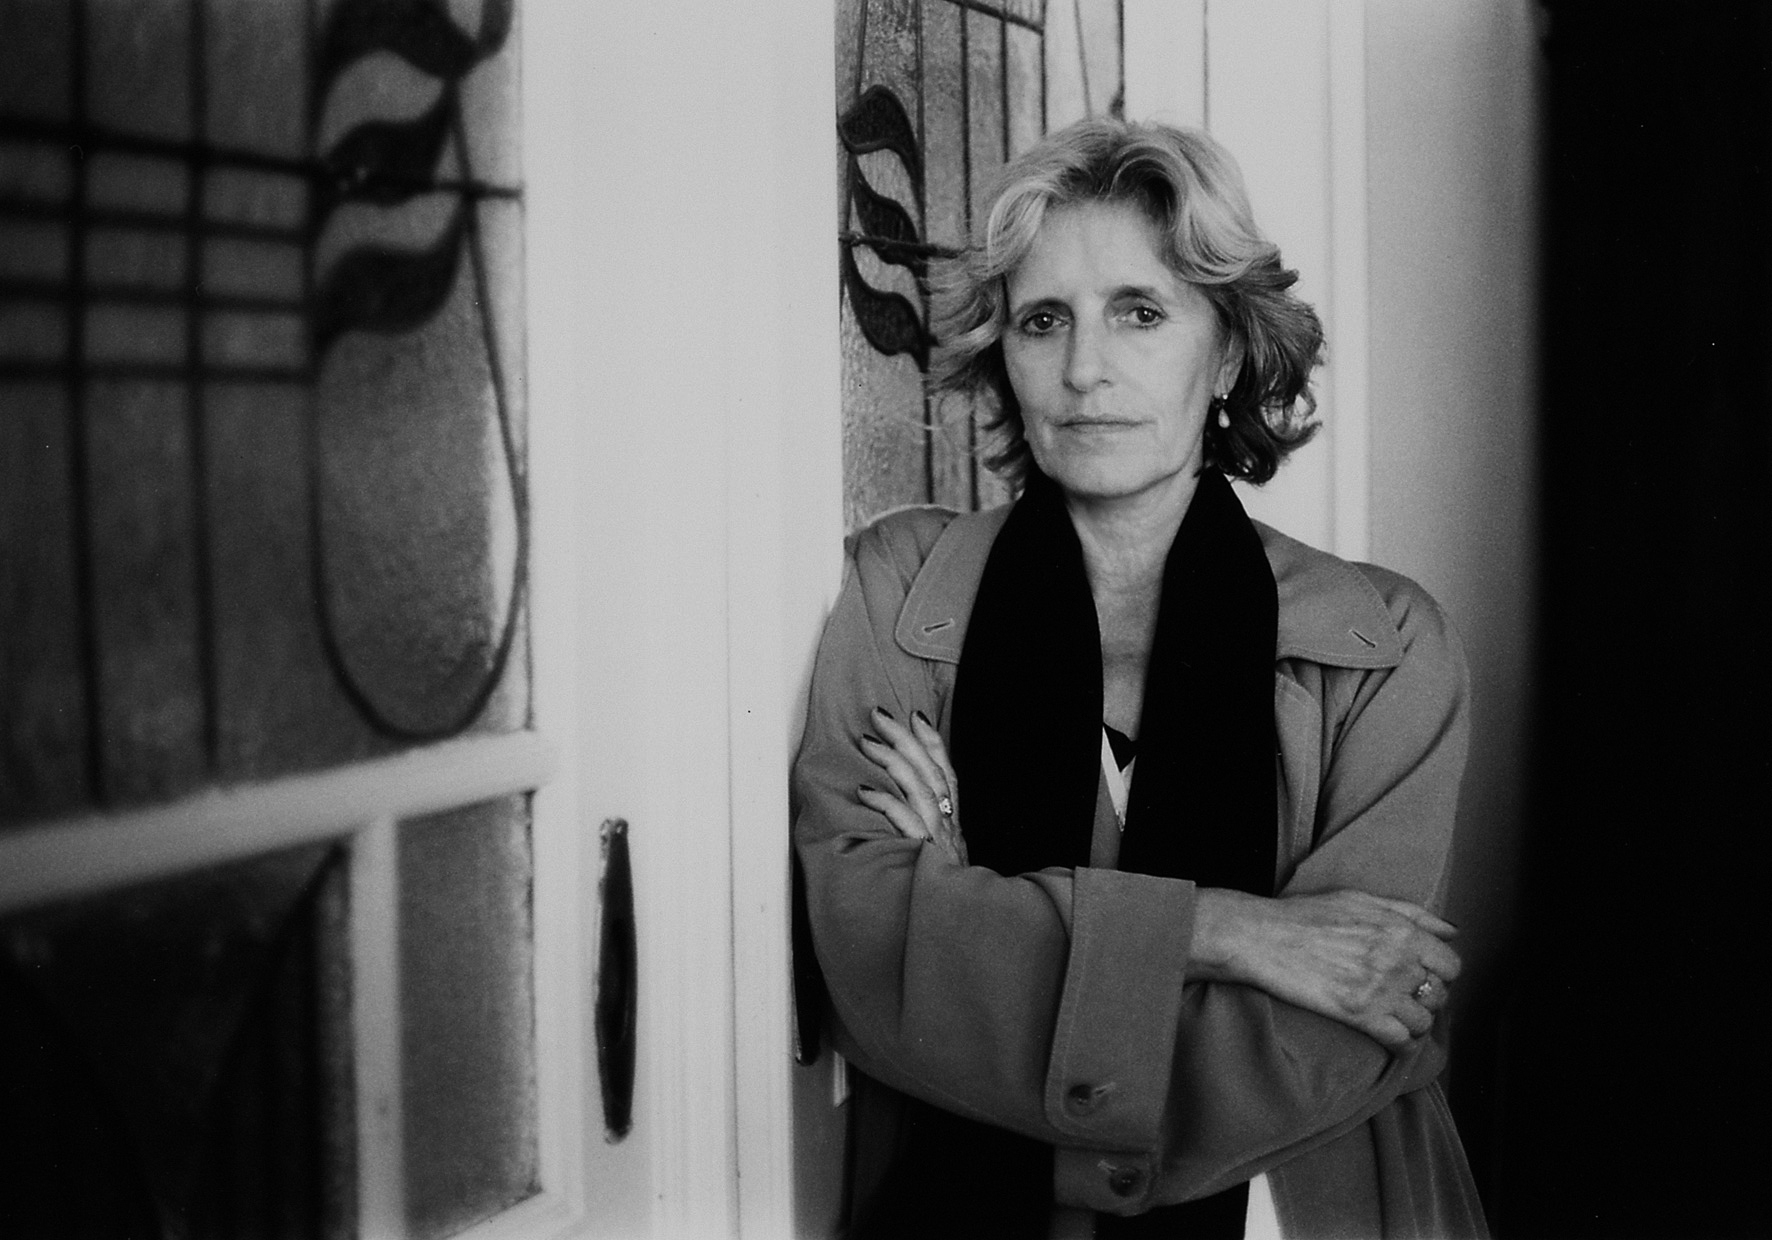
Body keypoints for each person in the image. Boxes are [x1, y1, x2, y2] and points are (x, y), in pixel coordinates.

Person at [792, 118, 1487, 1239]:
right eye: (1043, 320)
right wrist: (1231, 931)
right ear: (1004, 354)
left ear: (1228, 354)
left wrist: (975, 917)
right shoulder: (901, 590)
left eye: (1140, 312)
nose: (1084, 369)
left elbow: (1338, 1033)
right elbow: (877, 971)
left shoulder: (1387, 641)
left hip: (1298, 1209)